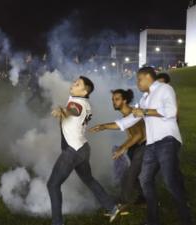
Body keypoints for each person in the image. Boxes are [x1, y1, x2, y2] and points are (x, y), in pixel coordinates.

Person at [94, 67, 193, 225]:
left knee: (170, 180)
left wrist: (145, 112)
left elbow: (171, 110)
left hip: (167, 140)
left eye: (139, 79)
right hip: (152, 145)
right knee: (144, 180)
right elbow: (129, 119)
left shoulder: (164, 88)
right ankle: (153, 221)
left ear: (148, 77)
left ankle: (186, 220)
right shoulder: (145, 98)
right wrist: (105, 126)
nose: (137, 83)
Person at [47, 76, 122, 225]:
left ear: (84, 91)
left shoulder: (77, 103)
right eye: (75, 82)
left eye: (78, 84)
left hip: (73, 152)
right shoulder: (85, 102)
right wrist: (64, 111)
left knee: (53, 185)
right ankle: (112, 207)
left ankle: (57, 223)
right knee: (89, 179)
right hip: (83, 149)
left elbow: (73, 110)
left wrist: (62, 110)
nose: (73, 84)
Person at [90, 89, 146, 205]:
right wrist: (122, 146)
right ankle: (144, 197)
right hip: (136, 147)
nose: (113, 102)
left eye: (117, 99)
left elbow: (139, 135)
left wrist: (123, 148)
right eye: (112, 100)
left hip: (143, 146)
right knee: (136, 176)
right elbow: (128, 132)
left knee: (129, 175)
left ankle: (123, 201)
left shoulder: (132, 113)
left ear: (124, 100)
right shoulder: (126, 115)